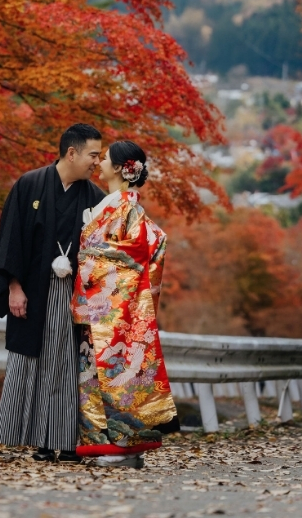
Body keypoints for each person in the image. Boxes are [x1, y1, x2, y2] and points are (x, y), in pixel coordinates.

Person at [0, 124, 107, 463]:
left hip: (76, 297)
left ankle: (70, 442)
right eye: (93, 155)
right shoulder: (30, 185)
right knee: (37, 363)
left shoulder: (95, 198)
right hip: (34, 290)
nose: (96, 163)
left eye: (100, 157)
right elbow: (10, 237)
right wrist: (14, 287)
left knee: (70, 367)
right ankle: (41, 441)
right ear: (71, 153)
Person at [72, 140, 179, 469]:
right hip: (118, 305)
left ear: (120, 168)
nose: (100, 162)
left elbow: (108, 256)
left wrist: (83, 260)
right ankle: (121, 448)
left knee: (106, 376)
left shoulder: (123, 208)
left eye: (104, 158)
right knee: (118, 376)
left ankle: (115, 449)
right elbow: (155, 243)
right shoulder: (120, 206)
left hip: (107, 306)